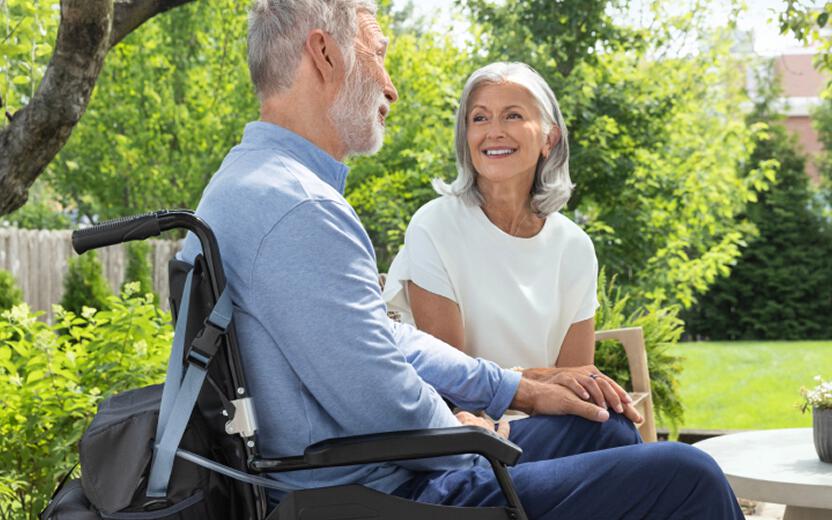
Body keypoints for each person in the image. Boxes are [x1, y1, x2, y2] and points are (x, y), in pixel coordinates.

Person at [179, 1, 744, 518]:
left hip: (384, 467)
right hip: (384, 493)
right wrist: (466, 432)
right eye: (378, 56)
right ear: (325, 54)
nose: (390, 87)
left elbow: (380, 340)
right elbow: (379, 399)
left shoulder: (256, 184)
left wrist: (514, 389)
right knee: (687, 475)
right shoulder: (298, 209)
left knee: (603, 429)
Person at [383, 62, 599, 375]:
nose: (494, 132)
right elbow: (451, 378)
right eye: (480, 118)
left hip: (549, 405)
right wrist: (541, 381)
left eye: (513, 115)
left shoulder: (575, 246)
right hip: (454, 407)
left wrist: (552, 385)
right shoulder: (434, 226)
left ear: (549, 139)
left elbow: (577, 378)